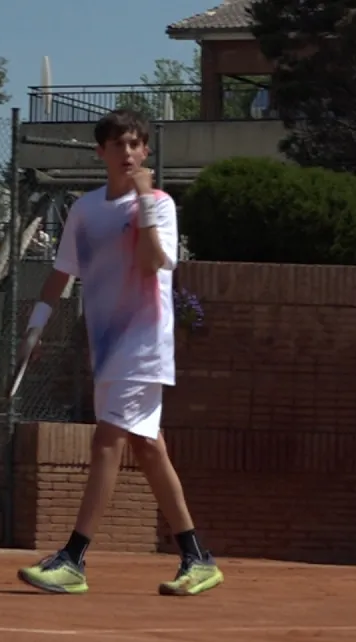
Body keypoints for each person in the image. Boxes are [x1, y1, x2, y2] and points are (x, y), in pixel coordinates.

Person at [13, 108, 223, 597]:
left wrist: (146, 199)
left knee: (107, 440)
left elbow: (153, 263)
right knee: (149, 450)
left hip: (144, 345)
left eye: (135, 144)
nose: (127, 153)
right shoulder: (85, 211)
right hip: (106, 348)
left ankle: (73, 558)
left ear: (145, 151)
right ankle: (198, 558)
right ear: (101, 152)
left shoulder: (161, 205)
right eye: (118, 145)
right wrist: (35, 327)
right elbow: (61, 274)